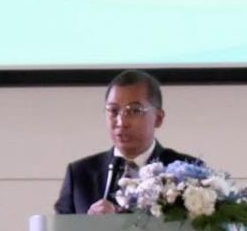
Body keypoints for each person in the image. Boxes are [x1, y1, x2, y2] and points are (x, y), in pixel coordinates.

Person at [54, 70, 199, 216]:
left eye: (134, 111)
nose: (121, 122)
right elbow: (59, 229)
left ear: (158, 118)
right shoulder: (79, 174)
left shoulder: (188, 173)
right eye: (113, 111)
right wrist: (86, 224)